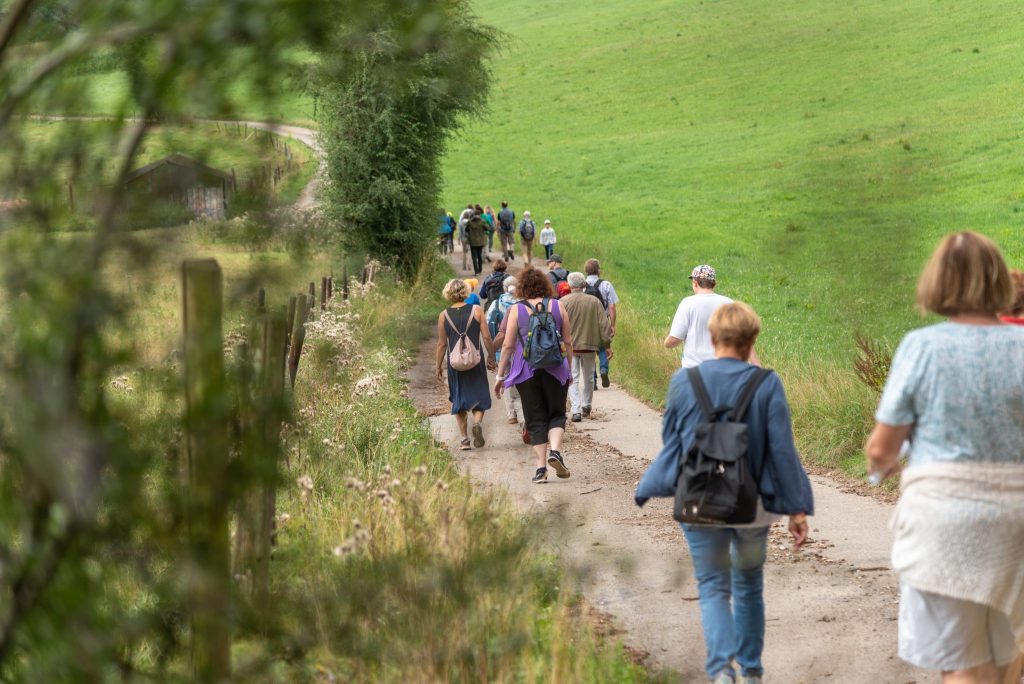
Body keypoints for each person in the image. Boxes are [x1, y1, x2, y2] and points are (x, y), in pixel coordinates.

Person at [865, 232, 1024, 684]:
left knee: (960, 664)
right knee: (1007, 659)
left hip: (944, 522)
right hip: (1018, 521)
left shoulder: (923, 347)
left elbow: (882, 447)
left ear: (938, 282)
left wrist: (883, 465)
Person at [635, 302, 813, 684]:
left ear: (713, 337)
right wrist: (797, 509)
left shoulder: (684, 382)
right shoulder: (767, 383)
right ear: (751, 342)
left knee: (713, 586)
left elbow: (672, 441)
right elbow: (782, 450)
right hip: (754, 505)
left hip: (698, 496)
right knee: (749, 585)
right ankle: (751, 672)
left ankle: (720, 672)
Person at [493, 267, 573, 484]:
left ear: (521, 288)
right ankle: (555, 451)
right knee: (557, 413)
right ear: (545, 285)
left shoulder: (517, 310)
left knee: (535, 418)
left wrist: (500, 377)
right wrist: (569, 368)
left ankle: (541, 469)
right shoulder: (558, 305)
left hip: (526, 371)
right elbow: (567, 341)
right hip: (556, 369)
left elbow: (508, 345)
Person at [435, 279, 497, 450]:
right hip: (475, 360)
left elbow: (441, 344)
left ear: (448, 293)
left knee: (459, 397)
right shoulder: (477, 311)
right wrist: (492, 357)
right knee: (479, 393)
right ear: (466, 291)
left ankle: (464, 440)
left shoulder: (444, 315)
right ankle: (477, 423)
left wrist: (438, 366)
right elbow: (486, 337)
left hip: (455, 363)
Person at [560, 272, 613, 422]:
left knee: (573, 377)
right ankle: (586, 405)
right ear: (584, 284)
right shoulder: (594, 301)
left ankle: (576, 409)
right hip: (589, 345)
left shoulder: (562, 302)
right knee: (589, 376)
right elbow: (604, 325)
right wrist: (607, 345)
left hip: (570, 347)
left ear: (569, 285)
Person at [665, 264, 734, 369]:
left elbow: (675, 339)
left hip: (694, 371)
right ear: (714, 284)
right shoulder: (729, 303)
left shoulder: (688, 303)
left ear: (695, 283)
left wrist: (666, 343)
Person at [583, 258, 619, 388]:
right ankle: (603, 369)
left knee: (590, 349)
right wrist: (613, 324)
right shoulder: (606, 285)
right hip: (602, 319)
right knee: (603, 346)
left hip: (586, 322)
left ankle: (593, 379)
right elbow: (612, 307)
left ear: (586, 271)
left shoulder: (582, 285)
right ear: (598, 270)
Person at [490, 276, 521, 425]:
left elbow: (489, 322)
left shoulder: (496, 304)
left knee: (506, 378)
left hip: (502, 349)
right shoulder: (523, 303)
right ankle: (522, 409)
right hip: (521, 348)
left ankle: (511, 413)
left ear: (504, 288)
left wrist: (491, 350)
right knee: (521, 377)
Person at [466, 208, 489, 276]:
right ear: (479, 214)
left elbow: (466, 230)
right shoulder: (482, 222)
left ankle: (476, 272)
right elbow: (487, 228)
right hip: (480, 241)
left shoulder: (470, 222)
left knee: (474, 257)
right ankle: (480, 270)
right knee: (479, 256)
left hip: (472, 242)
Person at [457, 205, 473, 271]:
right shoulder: (470, 222)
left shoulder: (460, 223)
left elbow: (460, 232)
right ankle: (469, 265)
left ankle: (464, 266)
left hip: (463, 238)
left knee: (464, 252)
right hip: (469, 238)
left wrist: (458, 238)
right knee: (469, 252)